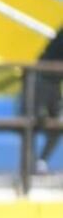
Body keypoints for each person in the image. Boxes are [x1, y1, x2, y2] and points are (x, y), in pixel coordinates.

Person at [36, 25, 63, 171]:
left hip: (52, 84)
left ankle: (40, 161)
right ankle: (31, 165)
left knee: (58, 123)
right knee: (37, 120)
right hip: (40, 81)